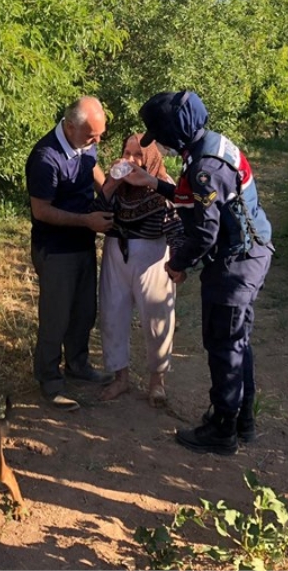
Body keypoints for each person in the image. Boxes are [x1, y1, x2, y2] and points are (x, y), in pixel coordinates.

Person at [127, 90, 273, 455]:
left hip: (235, 263)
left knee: (224, 343)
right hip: (247, 253)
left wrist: (176, 264)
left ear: (175, 133)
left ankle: (223, 428)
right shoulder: (211, 144)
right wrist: (156, 184)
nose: (157, 143)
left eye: (159, 136)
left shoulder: (205, 167)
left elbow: (205, 231)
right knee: (237, 340)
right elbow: (194, 200)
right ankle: (243, 421)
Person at [25, 96, 114, 411]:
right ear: (71, 126)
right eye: (92, 135)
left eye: (99, 134)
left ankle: (78, 365)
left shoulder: (84, 141)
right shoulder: (46, 158)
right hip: (56, 249)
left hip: (82, 243)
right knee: (56, 317)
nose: (97, 140)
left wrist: (110, 190)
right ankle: (49, 380)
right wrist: (86, 221)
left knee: (83, 310)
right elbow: (42, 211)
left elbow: (92, 167)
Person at [94, 133, 184, 407]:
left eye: (138, 156)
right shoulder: (116, 187)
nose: (131, 161)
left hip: (152, 256)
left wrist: (178, 263)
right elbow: (97, 211)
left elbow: (177, 227)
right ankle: (120, 377)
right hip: (117, 251)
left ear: (151, 159)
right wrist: (111, 184)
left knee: (157, 320)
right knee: (112, 315)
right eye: (127, 154)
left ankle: (157, 381)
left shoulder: (163, 185)